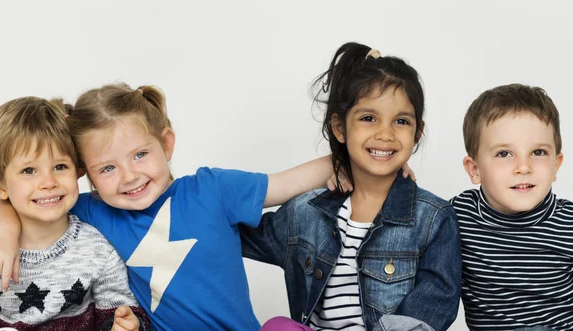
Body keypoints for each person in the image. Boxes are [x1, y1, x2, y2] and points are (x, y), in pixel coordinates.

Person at [0, 83, 338, 330]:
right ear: (86, 174)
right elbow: (26, 204)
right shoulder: (92, 212)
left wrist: (350, 163)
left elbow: (286, 182)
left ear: (166, 144)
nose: (129, 176)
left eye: (140, 154)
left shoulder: (211, 189)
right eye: (108, 168)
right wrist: (3, 234)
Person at [241, 42, 462, 331]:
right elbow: (224, 226)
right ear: (340, 128)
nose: (385, 134)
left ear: (417, 133)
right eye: (368, 118)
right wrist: (324, 167)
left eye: (401, 121)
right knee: (277, 327)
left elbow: (432, 308)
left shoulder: (433, 219)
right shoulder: (305, 213)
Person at [0, 96, 148, 330]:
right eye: (28, 170)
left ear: (78, 170)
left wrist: (127, 325)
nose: (48, 182)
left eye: (59, 167)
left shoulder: (97, 249)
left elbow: (122, 312)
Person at [452, 84, 573, 330]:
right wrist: (398, 174)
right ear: (474, 170)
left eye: (538, 152)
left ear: (555, 166)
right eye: (504, 154)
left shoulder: (568, 222)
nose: (523, 167)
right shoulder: (458, 216)